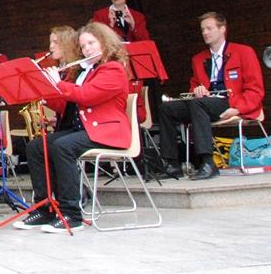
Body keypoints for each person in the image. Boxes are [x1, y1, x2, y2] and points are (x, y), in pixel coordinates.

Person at [14, 22, 130, 233]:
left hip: (106, 132)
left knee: (62, 146)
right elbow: (64, 106)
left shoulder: (113, 69)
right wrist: (44, 88)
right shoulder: (85, 71)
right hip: (83, 131)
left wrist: (58, 83)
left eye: (91, 43)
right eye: (83, 46)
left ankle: (72, 215)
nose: (87, 49)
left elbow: (87, 96)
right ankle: (45, 208)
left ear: (105, 43)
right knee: (36, 147)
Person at [158, 12, 265, 181]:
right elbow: (194, 86)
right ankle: (172, 163)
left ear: (222, 29)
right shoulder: (198, 58)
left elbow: (255, 89)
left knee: (197, 105)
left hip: (230, 103)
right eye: (202, 30)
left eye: (209, 28)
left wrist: (237, 109)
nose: (205, 33)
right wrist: (197, 90)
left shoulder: (244, 52)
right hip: (205, 104)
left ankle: (207, 162)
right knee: (167, 108)